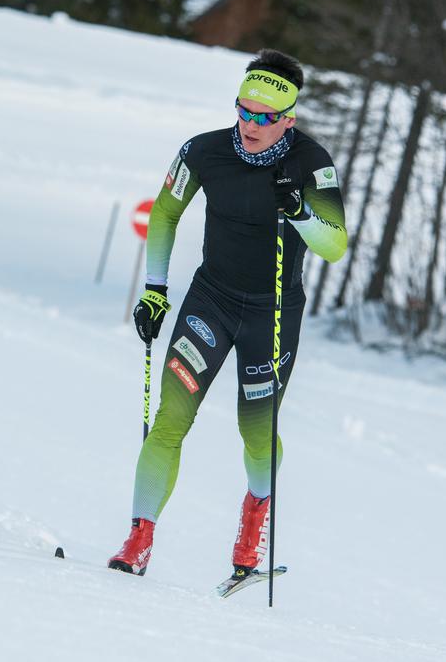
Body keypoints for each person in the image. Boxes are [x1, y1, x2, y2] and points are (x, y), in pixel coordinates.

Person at [108, 49, 348, 580]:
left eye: (265, 117)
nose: (250, 124)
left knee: (256, 431)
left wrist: (300, 210)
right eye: (243, 109)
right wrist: (154, 291)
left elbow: (334, 245)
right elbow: (166, 214)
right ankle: (138, 538)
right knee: (170, 421)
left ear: (289, 118)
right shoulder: (203, 150)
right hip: (210, 302)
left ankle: (253, 522)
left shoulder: (312, 163)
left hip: (273, 315)